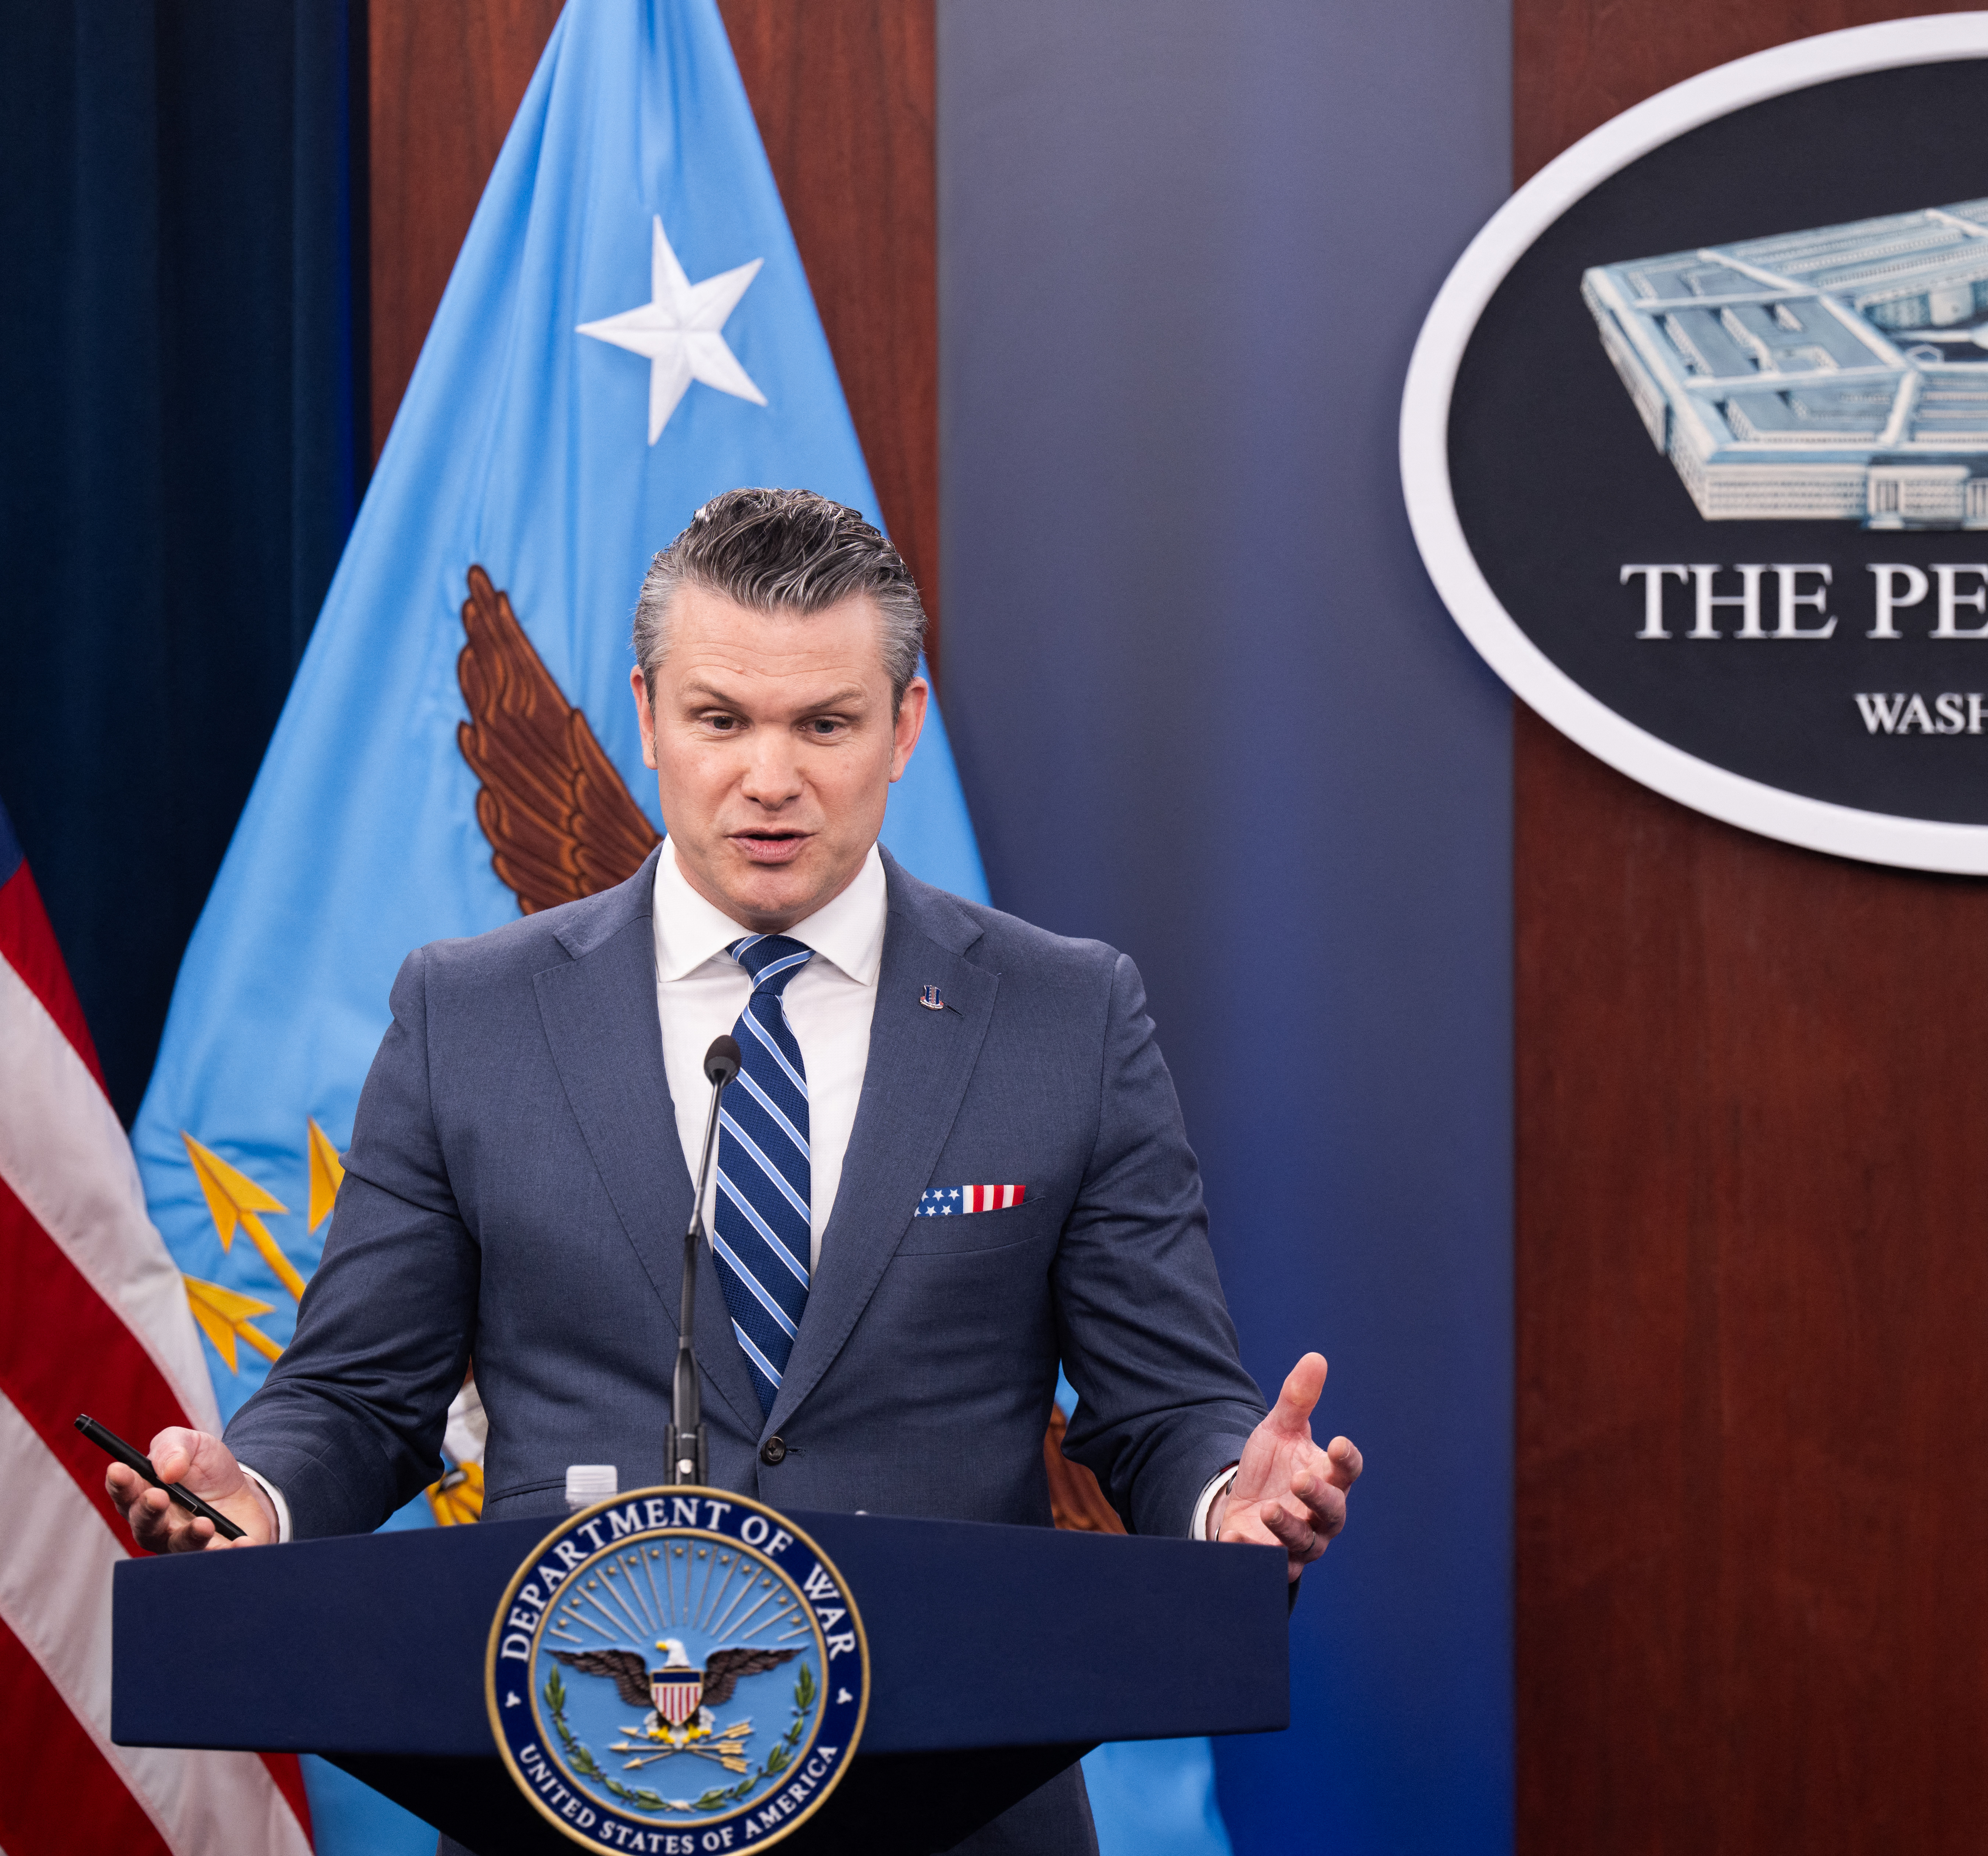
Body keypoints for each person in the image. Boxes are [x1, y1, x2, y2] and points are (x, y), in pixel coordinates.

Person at [110, 488, 1361, 1855]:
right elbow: (361, 1391)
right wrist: (261, 1497)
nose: (772, 776)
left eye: (825, 723)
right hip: (572, 1789)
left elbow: (1160, 1401)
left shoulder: (1064, 1015)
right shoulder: (468, 1013)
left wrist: (1225, 1500)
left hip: (960, 1798)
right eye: (722, 720)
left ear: (904, 726)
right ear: (645, 716)